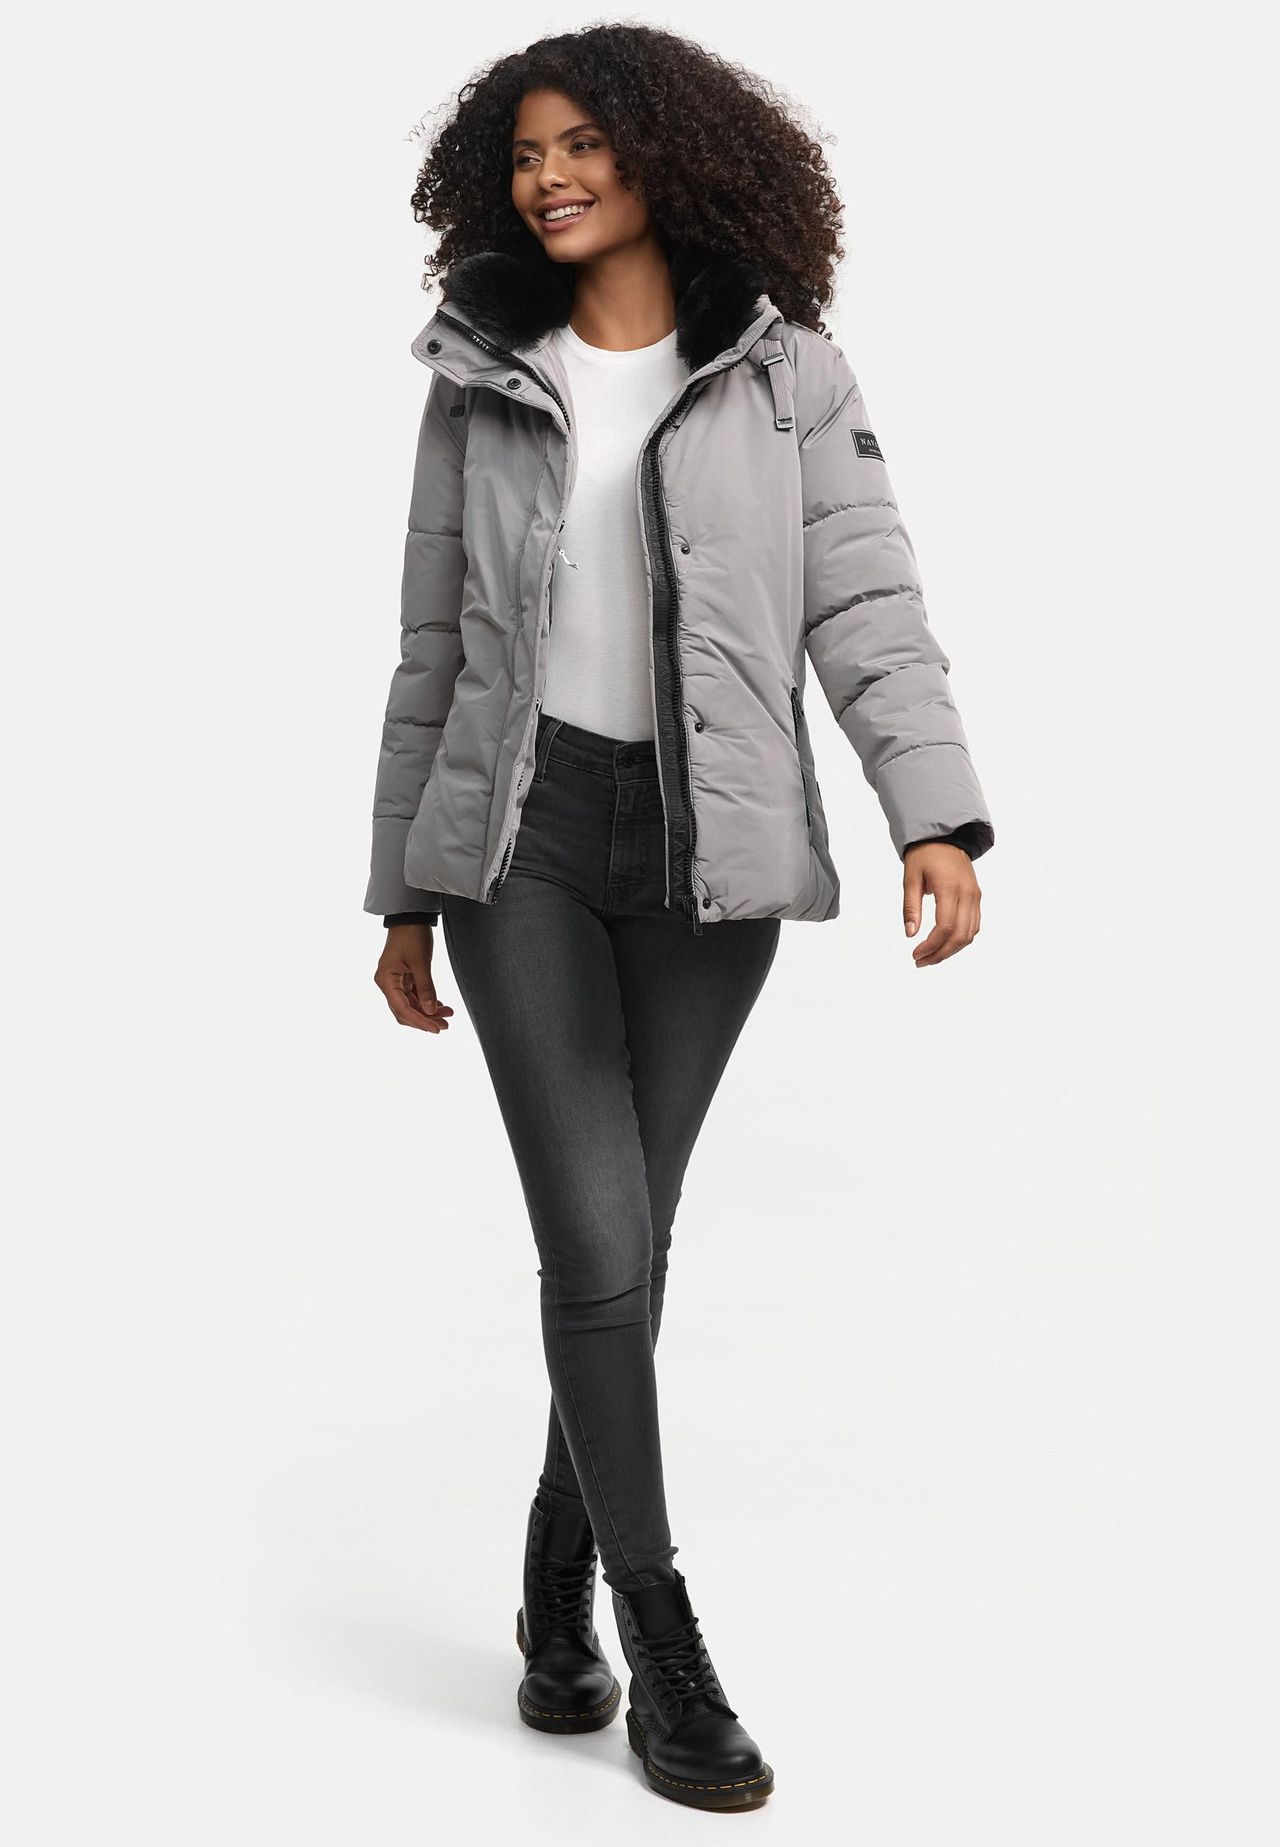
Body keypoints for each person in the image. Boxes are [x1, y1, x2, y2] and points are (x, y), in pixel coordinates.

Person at [364, 25, 994, 1812]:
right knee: (592, 1239)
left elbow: (865, 604)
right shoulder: (479, 373)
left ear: (666, 154)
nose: (548, 178)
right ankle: (663, 1640)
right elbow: (432, 647)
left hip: (711, 853)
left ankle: (553, 1571)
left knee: (633, 1242)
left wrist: (933, 811)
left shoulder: (785, 373)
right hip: (521, 841)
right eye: (524, 153)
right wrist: (403, 888)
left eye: (581, 144)